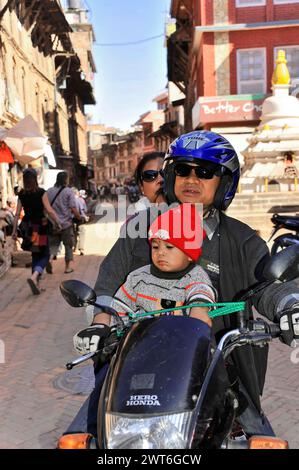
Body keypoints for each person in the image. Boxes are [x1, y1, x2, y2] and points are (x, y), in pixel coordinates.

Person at [70, 131, 299, 438]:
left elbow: (269, 284)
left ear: (224, 182)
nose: (192, 179)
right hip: (135, 364)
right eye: (183, 170)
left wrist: (289, 307)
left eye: (205, 172)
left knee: (261, 438)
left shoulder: (242, 239)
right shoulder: (141, 230)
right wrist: (100, 323)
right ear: (170, 175)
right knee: (80, 435)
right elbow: (108, 285)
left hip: (217, 365)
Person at [11, 168, 61, 295]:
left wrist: (13, 230)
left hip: (29, 228)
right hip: (41, 227)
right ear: (35, 179)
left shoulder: (22, 194)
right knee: (45, 254)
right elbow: (49, 210)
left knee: (35, 254)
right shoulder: (41, 193)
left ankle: (37, 284)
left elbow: (17, 214)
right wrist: (57, 222)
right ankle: (35, 276)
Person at [46, 172, 83, 274]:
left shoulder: (49, 191)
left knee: (53, 245)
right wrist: (79, 217)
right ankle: (67, 267)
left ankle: (49, 260)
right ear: (65, 180)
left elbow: (46, 207)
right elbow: (73, 207)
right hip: (66, 224)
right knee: (68, 245)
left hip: (53, 223)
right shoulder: (68, 192)